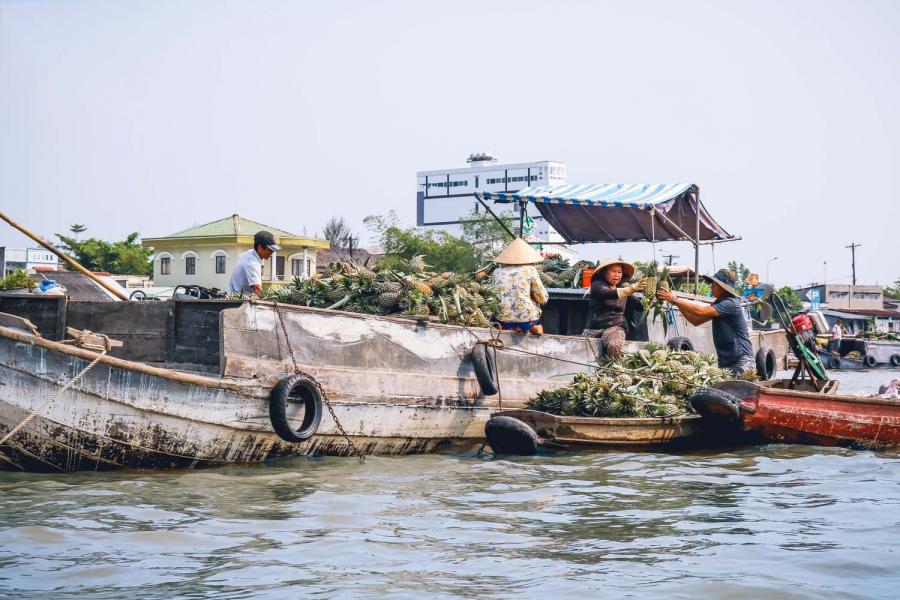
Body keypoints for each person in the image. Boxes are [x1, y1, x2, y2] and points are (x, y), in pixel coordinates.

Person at [656, 268, 754, 374]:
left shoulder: (730, 303)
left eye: (714, 284)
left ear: (723, 288)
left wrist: (676, 300)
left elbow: (701, 311)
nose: (711, 287)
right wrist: (677, 304)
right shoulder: (718, 304)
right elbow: (696, 321)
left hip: (741, 361)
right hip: (726, 363)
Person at [582, 258, 645, 358]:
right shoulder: (597, 285)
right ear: (604, 273)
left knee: (614, 345)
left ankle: (612, 365)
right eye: (613, 271)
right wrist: (631, 289)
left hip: (615, 327)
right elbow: (609, 293)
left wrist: (649, 298)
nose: (617, 275)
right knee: (581, 349)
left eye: (619, 272)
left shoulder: (624, 290)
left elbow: (640, 307)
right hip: (594, 327)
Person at [491, 238, 548, 335]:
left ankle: (512, 328)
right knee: (532, 307)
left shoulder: (497, 271)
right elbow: (543, 298)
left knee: (501, 313)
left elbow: (493, 296)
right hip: (527, 321)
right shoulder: (530, 270)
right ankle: (531, 327)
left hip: (503, 321)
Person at [227, 230, 281, 297]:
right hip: (239, 300)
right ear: (260, 247)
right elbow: (257, 289)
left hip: (238, 296)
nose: (272, 252)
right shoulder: (252, 263)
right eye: (270, 250)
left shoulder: (250, 254)